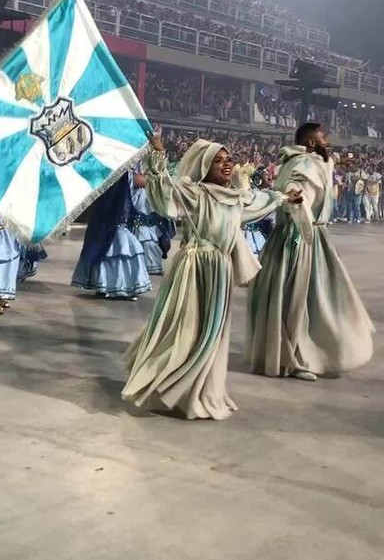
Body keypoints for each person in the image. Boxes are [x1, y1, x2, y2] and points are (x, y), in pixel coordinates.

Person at [123, 134, 295, 420]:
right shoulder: (194, 192)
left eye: (229, 160)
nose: (227, 165)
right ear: (205, 166)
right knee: (187, 330)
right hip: (194, 268)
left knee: (213, 335)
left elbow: (261, 201)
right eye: (219, 161)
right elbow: (164, 192)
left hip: (221, 270)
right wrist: (158, 153)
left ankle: (202, 390)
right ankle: (172, 385)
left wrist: (284, 196)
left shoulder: (236, 197)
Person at [244, 123, 375, 382]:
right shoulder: (304, 164)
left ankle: (300, 352)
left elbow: (319, 167)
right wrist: (296, 200)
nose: (328, 140)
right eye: (323, 136)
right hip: (298, 238)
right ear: (312, 143)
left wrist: (336, 163)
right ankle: (292, 357)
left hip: (310, 238)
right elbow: (297, 186)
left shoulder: (310, 161)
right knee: (294, 300)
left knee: (312, 299)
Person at [71, 174, 152, 300]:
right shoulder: (118, 172)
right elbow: (140, 181)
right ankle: (114, 286)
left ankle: (106, 284)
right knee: (116, 244)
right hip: (111, 212)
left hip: (112, 213)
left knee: (112, 244)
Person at [129, 167, 173, 275]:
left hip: (151, 210)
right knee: (144, 241)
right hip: (138, 212)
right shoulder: (132, 169)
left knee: (153, 242)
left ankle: (153, 265)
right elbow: (137, 180)